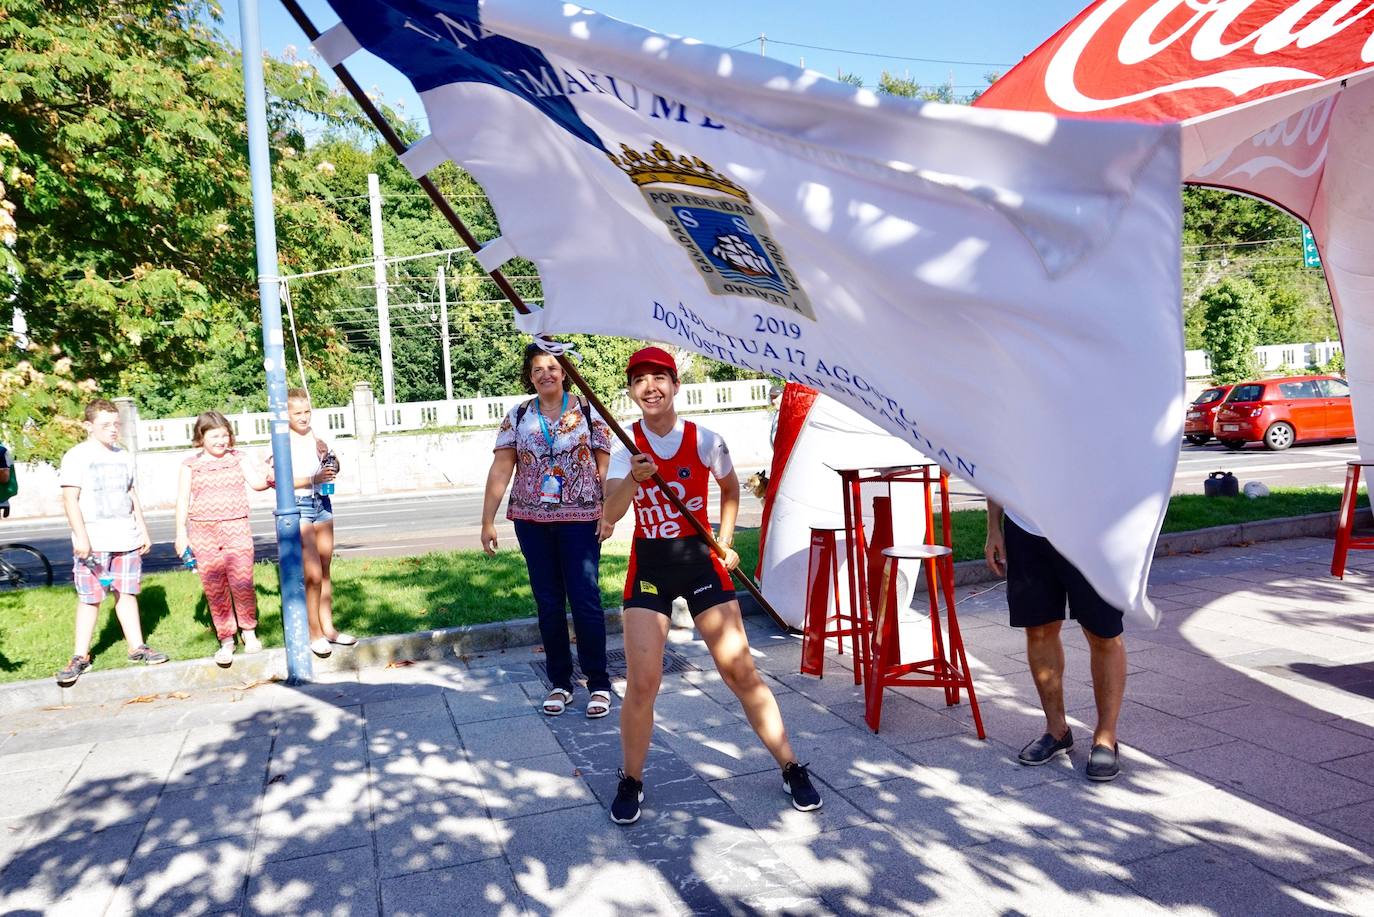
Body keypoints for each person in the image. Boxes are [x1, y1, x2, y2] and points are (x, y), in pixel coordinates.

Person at [601, 346, 821, 824]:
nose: (651, 387)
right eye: (640, 380)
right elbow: (610, 513)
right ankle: (631, 779)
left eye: (659, 378)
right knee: (642, 683)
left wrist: (723, 540)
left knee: (740, 672)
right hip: (651, 567)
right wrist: (633, 482)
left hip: (702, 564)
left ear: (676, 385)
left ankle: (791, 766)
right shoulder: (625, 445)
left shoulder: (705, 439)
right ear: (632, 391)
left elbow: (729, 488)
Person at [481, 343, 614, 718]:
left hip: (582, 520)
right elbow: (501, 470)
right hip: (532, 522)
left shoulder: (589, 409)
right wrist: (487, 519)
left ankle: (599, 683)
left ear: (564, 371)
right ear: (530, 375)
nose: (546, 374)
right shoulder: (518, 415)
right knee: (549, 603)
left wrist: (608, 513)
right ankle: (560, 682)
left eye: (553, 367)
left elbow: (605, 468)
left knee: (586, 600)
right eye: (538, 368)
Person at [984, 500, 1127, 782]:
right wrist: (993, 527)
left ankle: (1106, 737)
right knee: (1038, 629)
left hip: (1092, 529)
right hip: (1026, 527)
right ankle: (1056, 730)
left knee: (1103, 633)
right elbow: (999, 462)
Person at [56, 399, 168, 686]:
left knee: (127, 592)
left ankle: (137, 646)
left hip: (125, 537)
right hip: (93, 541)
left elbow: (131, 494)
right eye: (105, 425)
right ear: (88, 426)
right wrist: (81, 536)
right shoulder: (77, 456)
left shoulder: (123, 455)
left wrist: (142, 529)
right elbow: (70, 499)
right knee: (90, 597)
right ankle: (80, 655)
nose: (113, 430)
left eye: (116, 424)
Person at [174, 411, 272, 666]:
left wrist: (271, 472)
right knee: (214, 587)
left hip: (236, 527)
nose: (221, 440)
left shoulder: (238, 458)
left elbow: (258, 483)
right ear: (201, 437)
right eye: (214, 436)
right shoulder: (190, 464)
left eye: (225, 435)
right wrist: (180, 534)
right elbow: (183, 500)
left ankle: (248, 631)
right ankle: (226, 639)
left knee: (242, 582)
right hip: (202, 531)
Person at [284, 388, 354, 657]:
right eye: (297, 413)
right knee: (311, 574)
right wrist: (312, 479)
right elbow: (281, 481)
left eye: (307, 411)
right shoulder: (282, 441)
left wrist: (332, 465)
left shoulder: (317, 437)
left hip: (321, 503)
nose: (303, 417)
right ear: (287, 414)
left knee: (325, 568)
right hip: (299, 506)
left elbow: (331, 466)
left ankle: (329, 628)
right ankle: (313, 633)